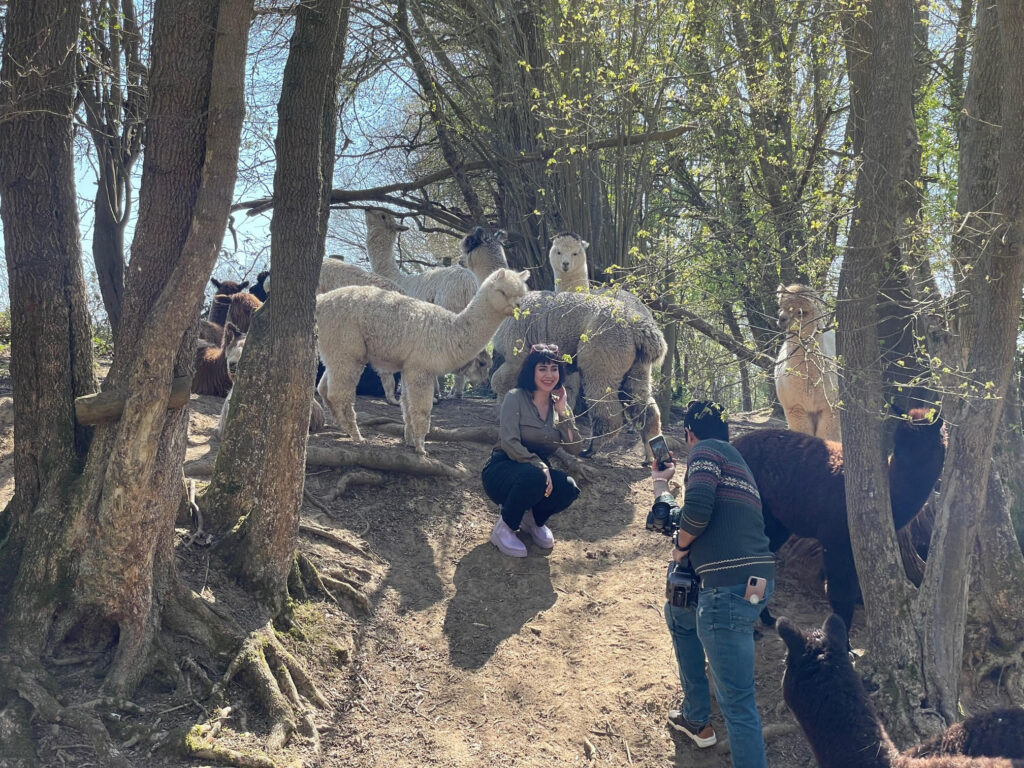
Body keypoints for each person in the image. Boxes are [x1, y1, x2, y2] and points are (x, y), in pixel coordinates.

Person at [652, 400, 775, 768]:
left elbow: (699, 509)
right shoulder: (738, 463)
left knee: (738, 705)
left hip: (726, 590)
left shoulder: (705, 452)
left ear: (690, 433)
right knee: (679, 615)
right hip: (757, 584)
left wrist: (680, 547)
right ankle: (695, 717)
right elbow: (703, 514)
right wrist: (663, 486)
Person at [481, 343, 581, 557]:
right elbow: (509, 442)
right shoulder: (515, 397)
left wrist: (563, 413)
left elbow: (574, 448)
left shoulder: (559, 406)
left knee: (569, 488)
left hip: (536, 476)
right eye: (542, 368)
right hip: (503, 470)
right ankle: (504, 528)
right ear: (531, 371)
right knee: (535, 477)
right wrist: (540, 466)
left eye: (554, 369)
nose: (549, 374)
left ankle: (533, 521)